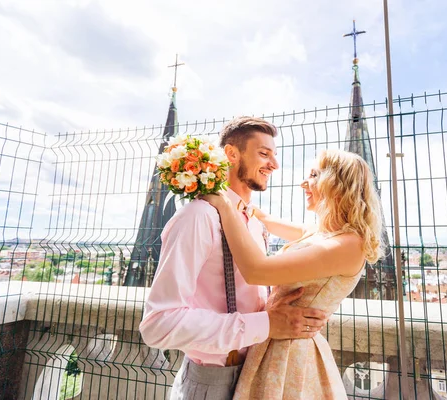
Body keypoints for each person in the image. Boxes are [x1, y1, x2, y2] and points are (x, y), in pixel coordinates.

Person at [139, 116, 328, 400]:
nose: (274, 164)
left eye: (274, 155)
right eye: (264, 153)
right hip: (213, 383)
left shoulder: (253, 223)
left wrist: (272, 309)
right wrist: (266, 324)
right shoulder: (198, 216)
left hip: (257, 373)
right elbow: (159, 325)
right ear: (230, 154)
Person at [202, 148, 384, 399]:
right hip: (278, 340)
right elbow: (265, 218)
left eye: (313, 175)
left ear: (336, 183)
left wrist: (223, 204)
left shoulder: (347, 245)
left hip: (289, 352)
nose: (303, 183)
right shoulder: (324, 234)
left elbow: (256, 271)